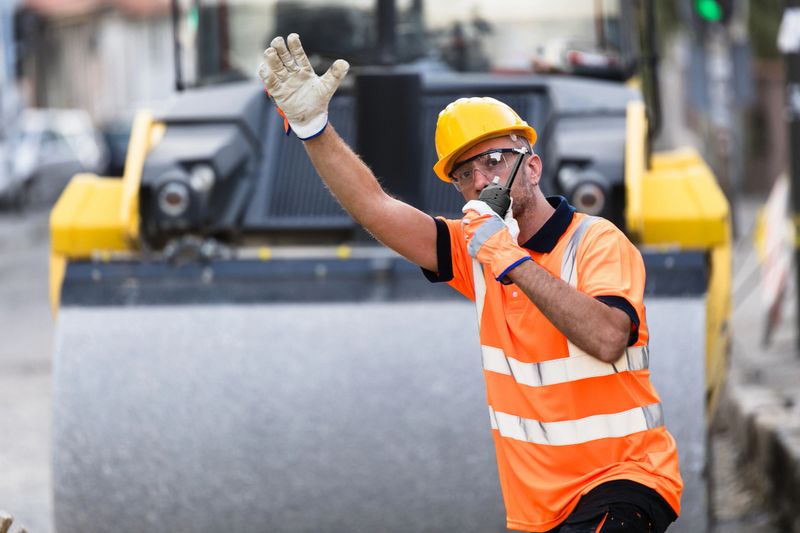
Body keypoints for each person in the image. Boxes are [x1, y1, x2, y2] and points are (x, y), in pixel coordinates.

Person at [258, 33, 683, 533]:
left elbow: (609, 337)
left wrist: (508, 257)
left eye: (495, 160)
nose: (483, 181)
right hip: (538, 510)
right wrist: (314, 129)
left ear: (533, 166)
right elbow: (375, 207)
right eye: (464, 174)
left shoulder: (595, 241)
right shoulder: (475, 249)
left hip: (625, 482)